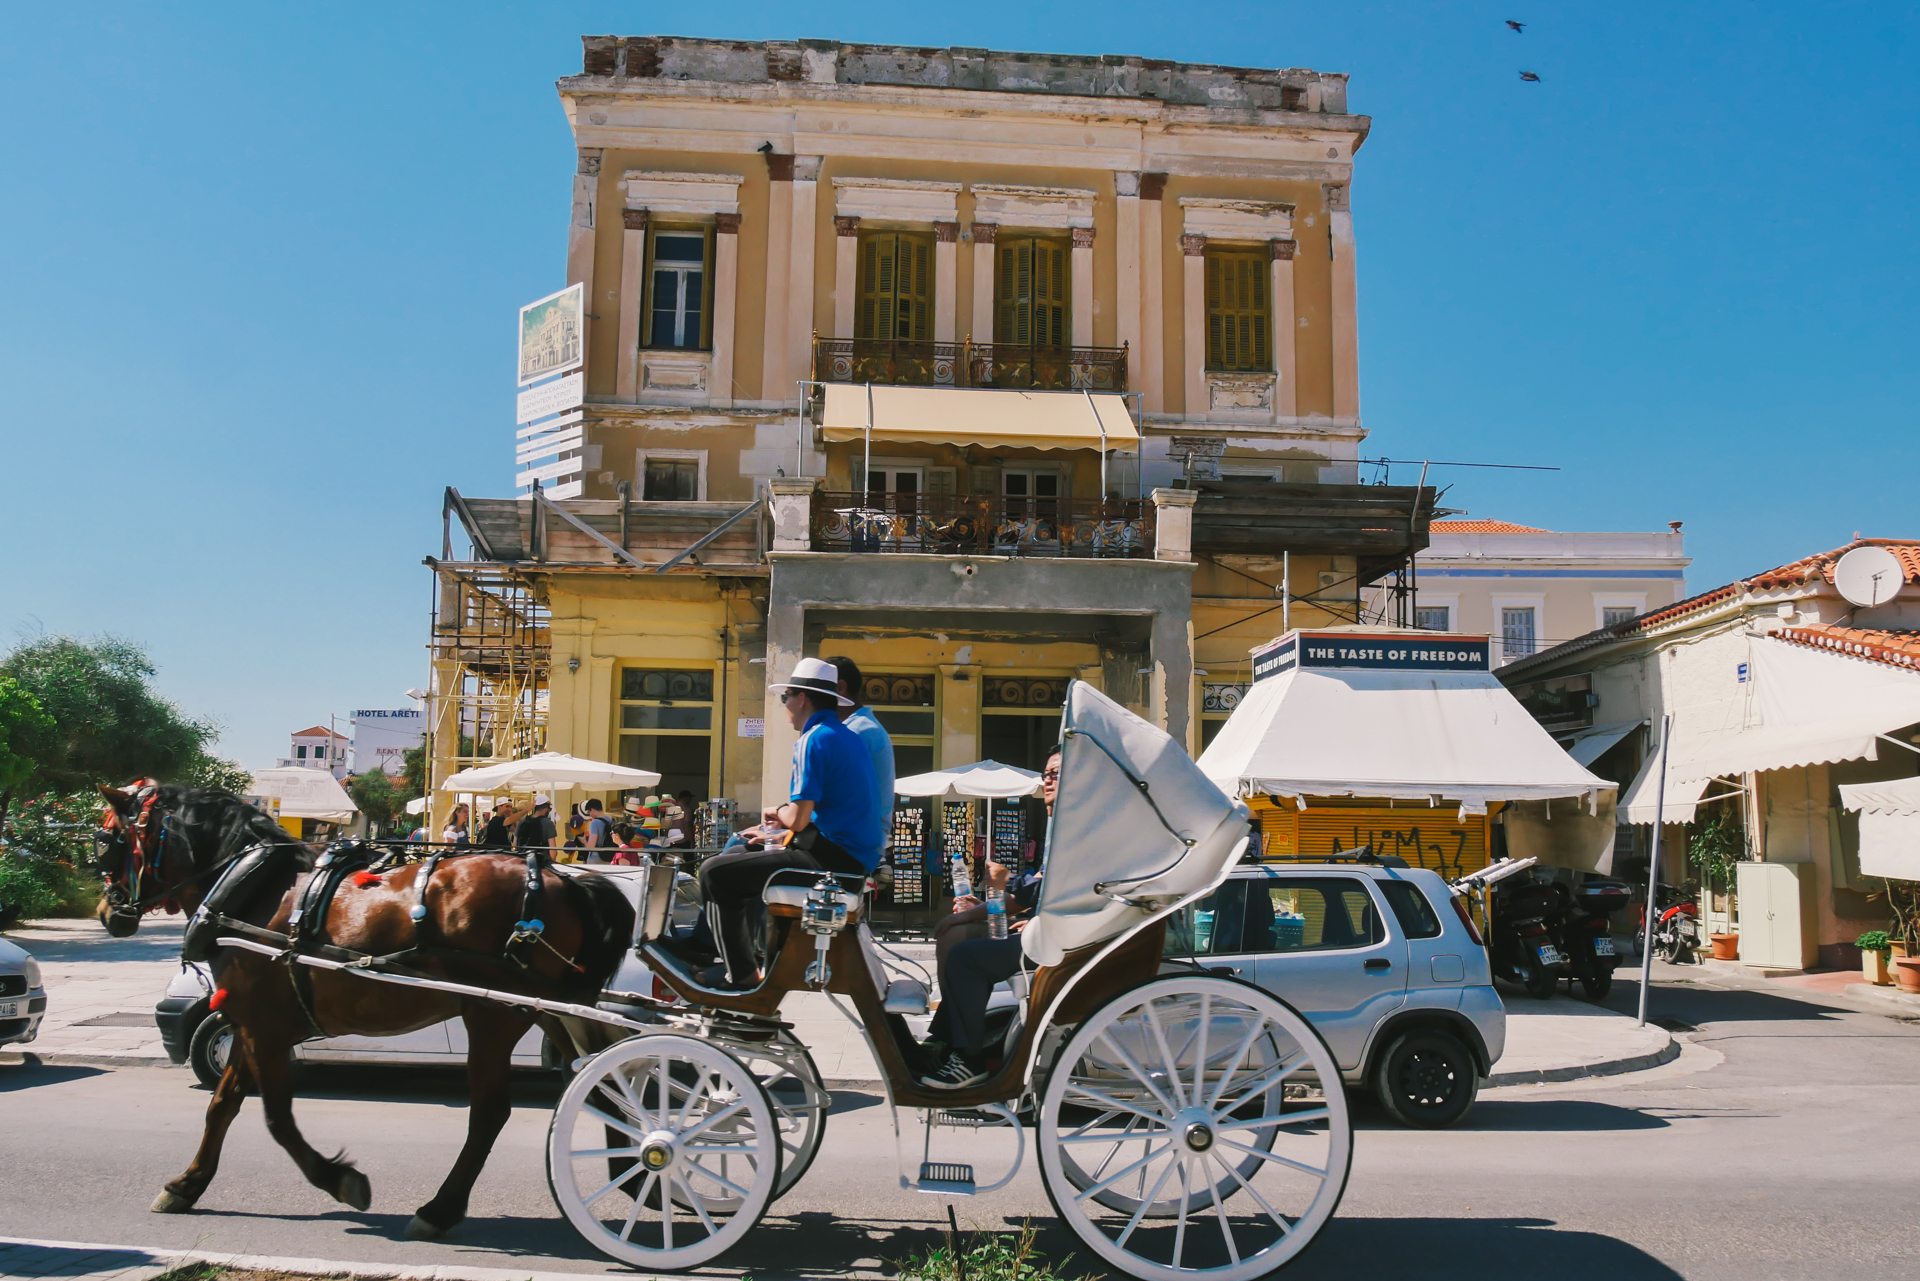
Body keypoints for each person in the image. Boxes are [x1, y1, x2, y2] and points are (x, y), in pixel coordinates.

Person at [694, 656, 882, 990]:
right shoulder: (845, 735)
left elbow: (798, 818)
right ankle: (741, 960)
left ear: (802, 699)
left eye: (785, 697)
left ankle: (740, 975)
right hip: (848, 860)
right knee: (739, 851)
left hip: (836, 866)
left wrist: (775, 813)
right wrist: (778, 829)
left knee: (714, 872)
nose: (784, 706)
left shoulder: (814, 738)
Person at [921, 747, 1059, 1089]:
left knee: (966, 958)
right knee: (954, 936)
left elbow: (1035, 893)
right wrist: (971, 912)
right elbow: (1027, 898)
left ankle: (969, 1059)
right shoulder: (1059, 826)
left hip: (1058, 942)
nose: (1050, 781)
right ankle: (950, 1039)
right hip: (1043, 930)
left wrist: (1006, 880)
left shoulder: (1078, 830)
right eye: (1047, 775)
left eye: (1059, 774)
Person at [828, 657, 895, 844]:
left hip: (850, 844)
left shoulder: (856, 732)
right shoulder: (860, 727)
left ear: (840, 688)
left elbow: (837, 800)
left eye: (820, 690)